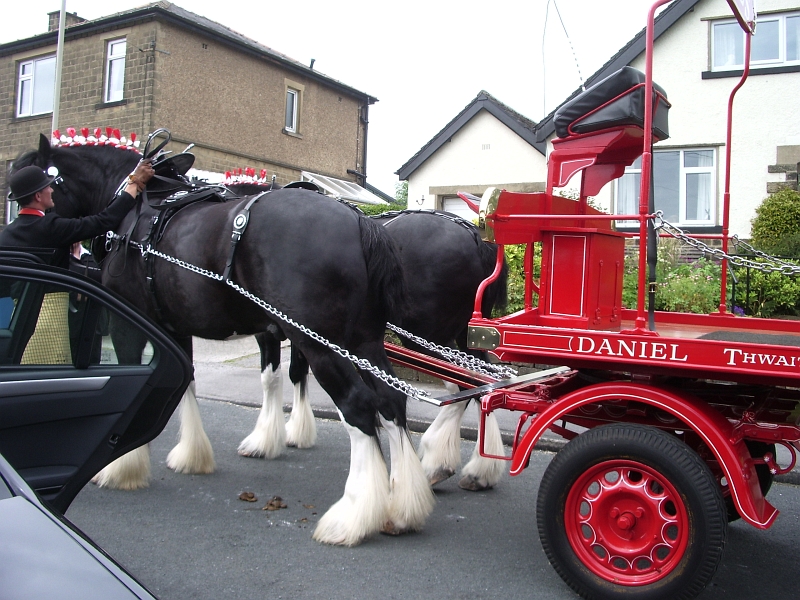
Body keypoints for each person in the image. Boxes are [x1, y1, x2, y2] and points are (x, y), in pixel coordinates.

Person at [0, 159, 154, 268]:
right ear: (38, 196)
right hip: (51, 309)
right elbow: (103, 222)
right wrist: (133, 185)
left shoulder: (6, 235)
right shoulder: (50, 227)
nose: (52, 190)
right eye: (47, 187)